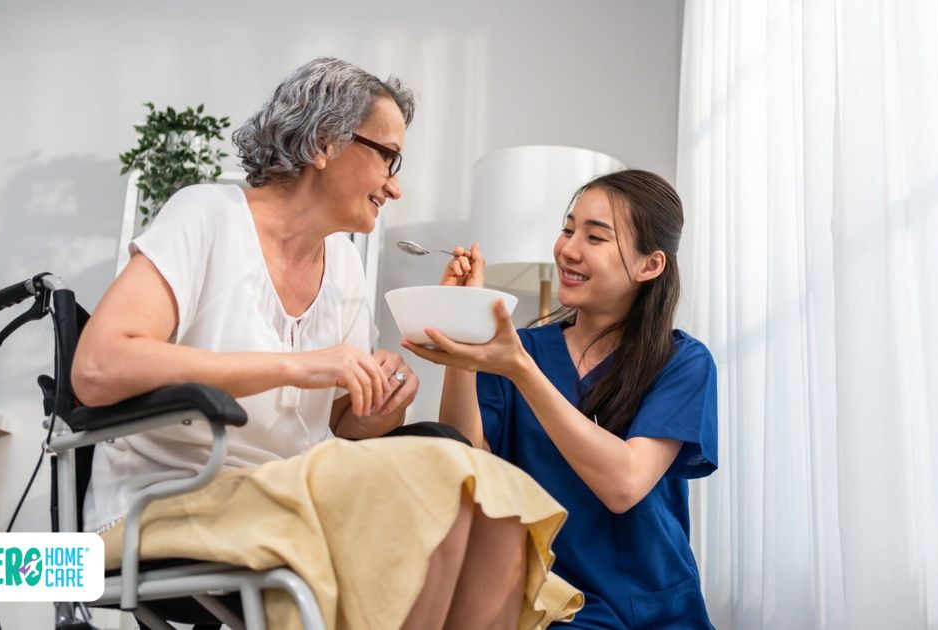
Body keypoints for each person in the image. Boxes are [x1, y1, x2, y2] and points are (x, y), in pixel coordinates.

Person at [72, 57, 581, 629]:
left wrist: (379, 404)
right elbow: (98, 366)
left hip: (294, 488)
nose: (396, 184)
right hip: (173, 501)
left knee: (489, 504)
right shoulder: (207, 216)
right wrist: (297, 365)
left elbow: (339, 428)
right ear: (322, 142)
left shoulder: (342, 264)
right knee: (444, 477)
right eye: (387, 156)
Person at [406, 170, 718, 628]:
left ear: (650, 265)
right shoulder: (524, 350)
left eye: (595, 237)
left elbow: (624, 485)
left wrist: (520, 371)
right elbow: (470, 463)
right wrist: (463, 334)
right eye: (569, 229)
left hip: (652, 611)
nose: (568, 249)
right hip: (548, 603)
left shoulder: (682, 362)